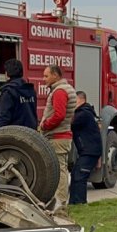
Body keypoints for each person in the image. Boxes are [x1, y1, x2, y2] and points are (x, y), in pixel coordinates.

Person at [38, 64, 77, 210]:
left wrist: (45, 125)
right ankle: (59, 203)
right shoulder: (67, 88)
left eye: (46, 76)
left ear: (55, 75)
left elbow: (59, 115)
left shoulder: (59, 91)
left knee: (59, 171)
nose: (44, 79)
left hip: (57, 137)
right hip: (62, 136)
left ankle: (60, 204)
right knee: (60, 169)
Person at [69, 91, 102, 206]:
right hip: (89, 150)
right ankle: (73, 203)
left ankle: (80, 203)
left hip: (89, 151)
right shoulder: (87, 112)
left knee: (80, 176)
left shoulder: (83, 114)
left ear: (80, 100)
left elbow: (69, 124)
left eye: (73, 101)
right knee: (75, 174)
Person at [0, 59, 38, 129]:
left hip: (14, 132)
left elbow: (4, 117)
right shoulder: (31, 90)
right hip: (30, 132)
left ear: (7, 73)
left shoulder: (8, 91)